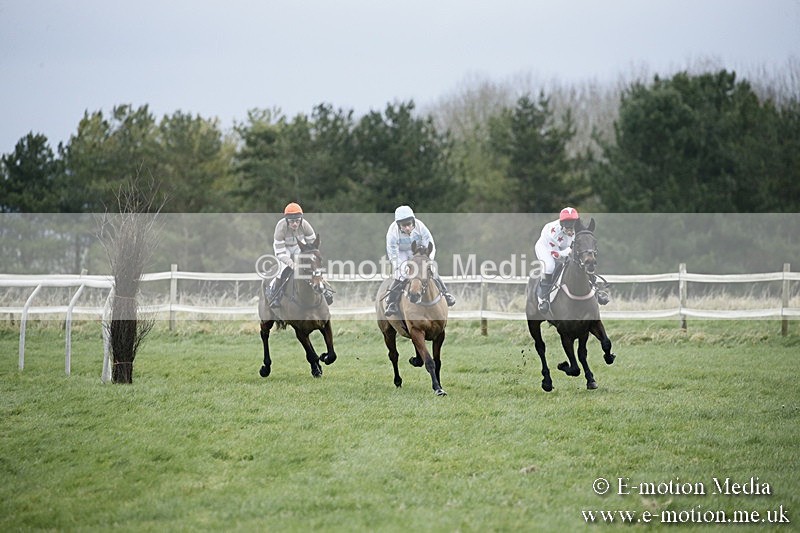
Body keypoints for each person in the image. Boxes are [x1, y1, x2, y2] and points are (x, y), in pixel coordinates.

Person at [383, 205, 456, 317]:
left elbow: (430, 244)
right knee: (400, 274)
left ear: (413, 221)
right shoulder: (392, 232)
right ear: (398, 225)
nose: (407, 228)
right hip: (401, 253)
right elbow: (393, 254)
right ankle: (391, 302)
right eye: (404, 225)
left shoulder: (420, 226)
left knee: (431, 270)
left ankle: (446, 294)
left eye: (409, 224)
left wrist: (428, 261)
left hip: (417, 252)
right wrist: (403, 267)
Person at [534, 207, 609, 313]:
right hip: (547, 248)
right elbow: (556, 255)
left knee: (582, 263)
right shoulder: (553, 232)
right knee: (550, 266)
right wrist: (569, 252)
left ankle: (596, 290)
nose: (570, 230)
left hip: (565, 248)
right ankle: (543, 299)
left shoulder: (578, 227)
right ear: (561, 224)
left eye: (572, 226)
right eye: (567, 227)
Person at [269, 202, 333, 308]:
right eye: (292, 221)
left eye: (297, 221)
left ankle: (324, 290)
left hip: (299, 247)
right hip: (284, 249)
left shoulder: (305, 225)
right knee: (282, 270)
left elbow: (313, 247)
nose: (295, 224)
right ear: (286, 220)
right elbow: (281, 254)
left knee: (313, 266)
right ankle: (275, 296)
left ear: (301, 220)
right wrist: (292, 264)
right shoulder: (280, 228)